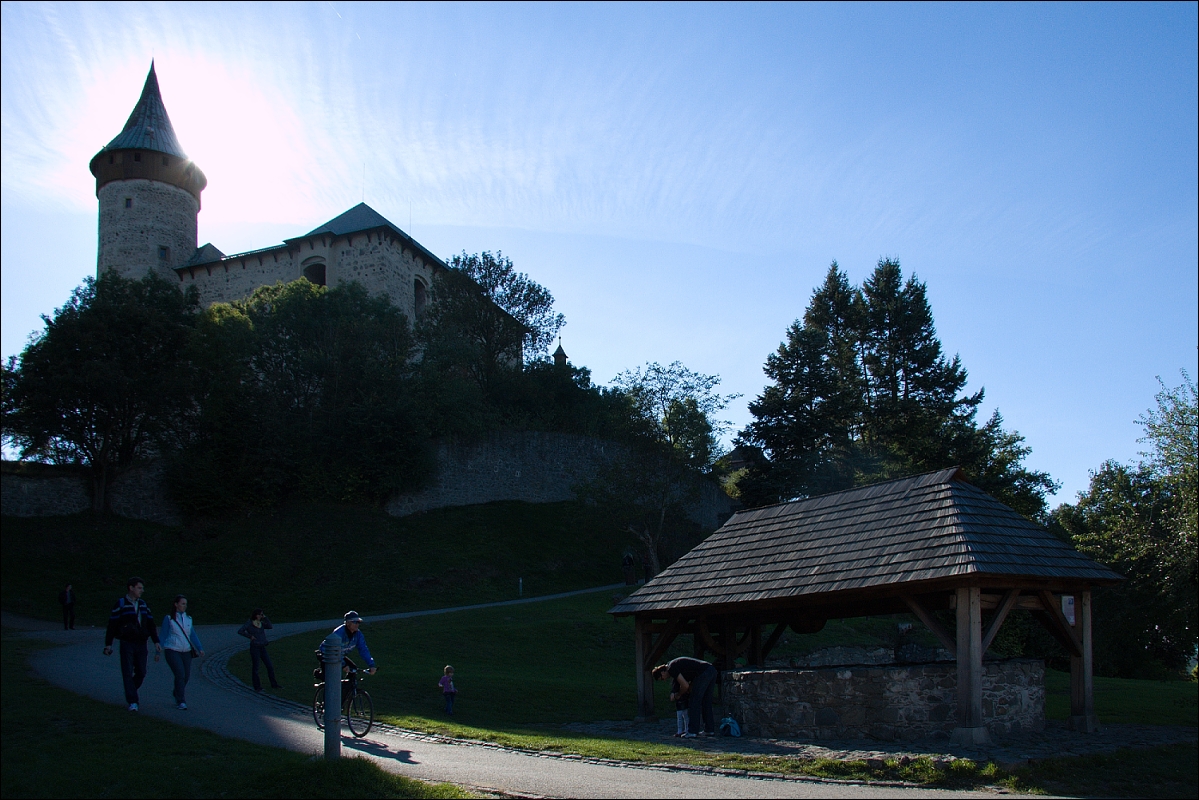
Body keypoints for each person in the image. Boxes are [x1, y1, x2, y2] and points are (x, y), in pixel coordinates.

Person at [103, 577, 162, 711]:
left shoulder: (143, 604)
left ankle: (130, 690)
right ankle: (133, 701)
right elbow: (112, 624)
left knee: (141, 671)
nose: (142, 590)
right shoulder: (121, 604)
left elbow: (151, 623)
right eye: (139, 588)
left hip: (141, 642)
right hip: (127, 642)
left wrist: (156, 641)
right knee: (127, 671)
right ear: (131, 588)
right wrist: (108, 644)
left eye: (142, 588)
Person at [653, 657, 717, 738]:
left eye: (662, 678)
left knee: (694, 701)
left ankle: (692, 731)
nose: (664, 680)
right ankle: (709, 730)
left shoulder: (671, 668)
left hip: (703, 672)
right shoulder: (672, 664)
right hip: (711, 669)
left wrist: (678, 694)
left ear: (662, 673)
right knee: (706, 701)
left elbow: (685, 685)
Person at [160, 594, 205, 710]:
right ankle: (181, 700)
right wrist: (158, 649)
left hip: (186, 651)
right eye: (182, 604)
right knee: (180, 674)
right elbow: (163, 634)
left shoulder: (188, 619)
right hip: (172, 649)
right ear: (176, 604)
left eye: (186, 604)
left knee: (186, 676)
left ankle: (177, 691)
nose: (185, 606)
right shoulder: (169, 619)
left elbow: (192, 634)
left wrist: (199, 647)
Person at [316, 611, 377, 685]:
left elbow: (363, 650)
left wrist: (371, 665)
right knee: (332, 680)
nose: (357, 624)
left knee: (353, 669)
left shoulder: (358, 634)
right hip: (327, 655)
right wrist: (343, 665)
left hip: (339, 654)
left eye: (358, 622)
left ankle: (347, 690)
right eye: (355, 622)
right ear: (348, 623)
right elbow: (335, 651)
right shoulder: (339, 633)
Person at [238, 609, 282, 692]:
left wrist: (265, 618)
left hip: (262, 647)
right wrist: (250, 636)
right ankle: (257, 686)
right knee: (256, 667)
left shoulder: (260, 623)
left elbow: (270, 626)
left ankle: (274, 684)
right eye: (260, 615)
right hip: (255, 647)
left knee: (269, 666)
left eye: (262, 615)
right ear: (256, 615)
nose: (261, 616)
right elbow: (240, 631)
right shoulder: (250, 623)